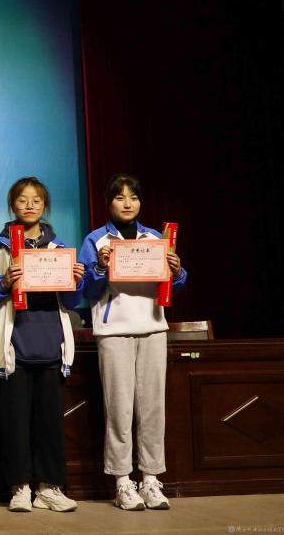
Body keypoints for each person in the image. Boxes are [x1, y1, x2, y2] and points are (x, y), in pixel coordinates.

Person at [78, 174, 186, 511]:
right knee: (119, 408)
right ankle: (123, 481)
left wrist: (177, 272)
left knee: (153, 407)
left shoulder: (155, 238)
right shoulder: (96, 240)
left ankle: (151, 478)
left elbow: (171, 288)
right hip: (114, 332)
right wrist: (100, 267)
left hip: (153, 328)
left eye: (134, 197)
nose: (127, 203)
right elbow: (85, 291)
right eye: (120, 197)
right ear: (108, 203)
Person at [0, 177, 84, 513]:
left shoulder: (59, 249)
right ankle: (19, 487)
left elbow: (73, 301)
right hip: (14, 348)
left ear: (45, 205)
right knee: (14, 422)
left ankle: (50, 488)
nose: (29, 205)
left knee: (50, 423)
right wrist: (4, 282)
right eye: (22, 200)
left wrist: (76, 280)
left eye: (36, 200)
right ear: (13, 205)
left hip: (50, 345)